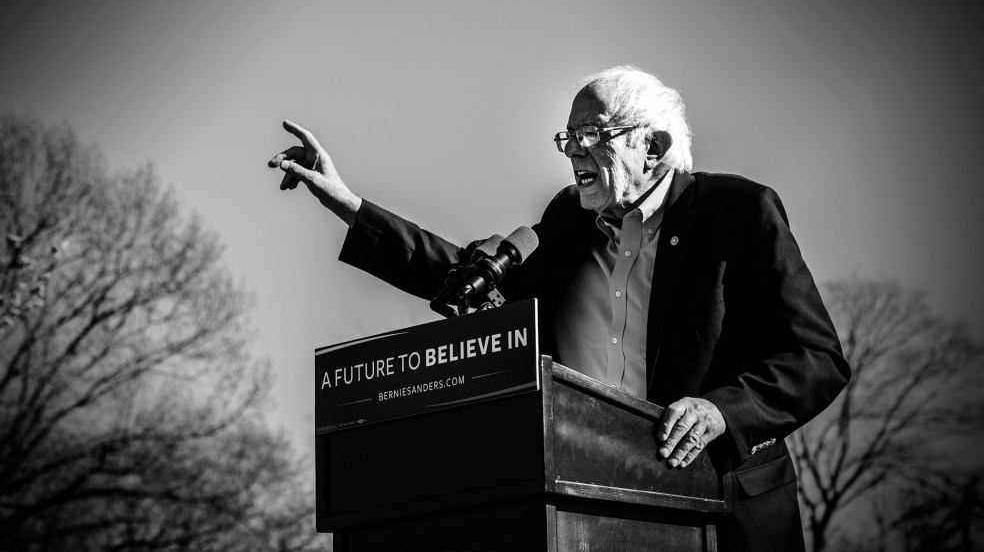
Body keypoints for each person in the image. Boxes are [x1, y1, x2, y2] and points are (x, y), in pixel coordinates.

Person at [268, 65, 850, 551]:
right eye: (566, 137)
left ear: (654, 146)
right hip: (589, 514)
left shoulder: (739, 213)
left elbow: (816, 356)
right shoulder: (567, 222)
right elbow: (472, 281)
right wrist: (349, 205)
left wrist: (722, 411)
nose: (572, 150)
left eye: (591, 133)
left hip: (721, 513)